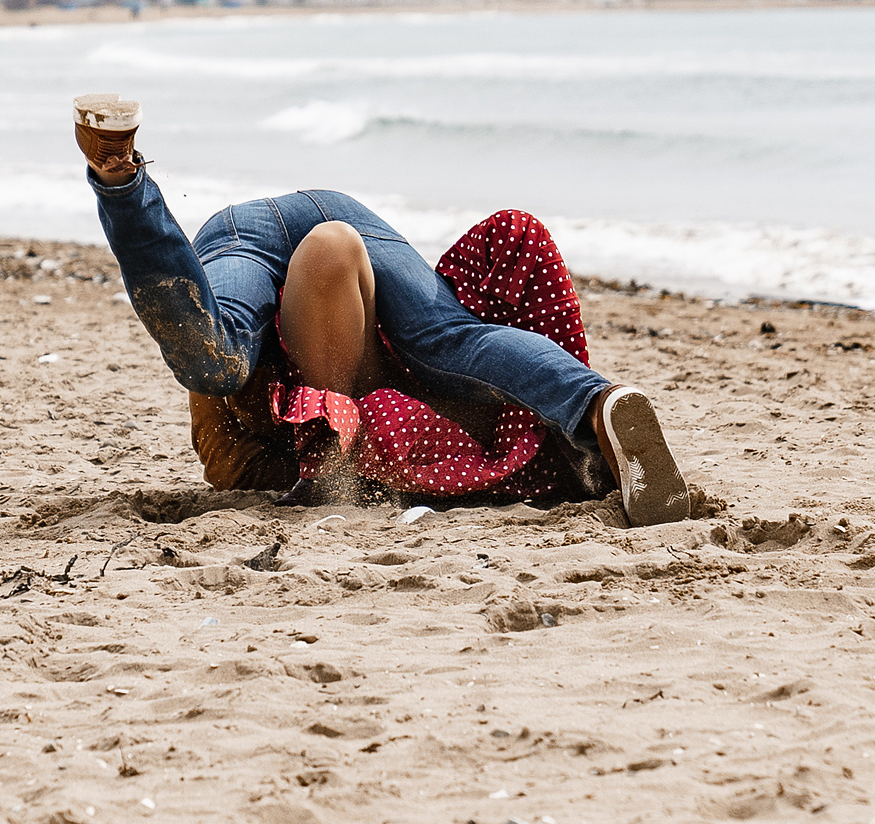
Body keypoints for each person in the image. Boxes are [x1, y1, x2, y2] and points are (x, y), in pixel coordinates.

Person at [71, 93, 691, 526]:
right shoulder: (408, 402)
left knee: (224, 355)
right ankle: (595, 400)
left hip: (264, 237)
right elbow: (228, 460)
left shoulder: (388, 413)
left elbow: (228, 461)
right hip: (322, 214)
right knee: (449, 338)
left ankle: (119, 172)